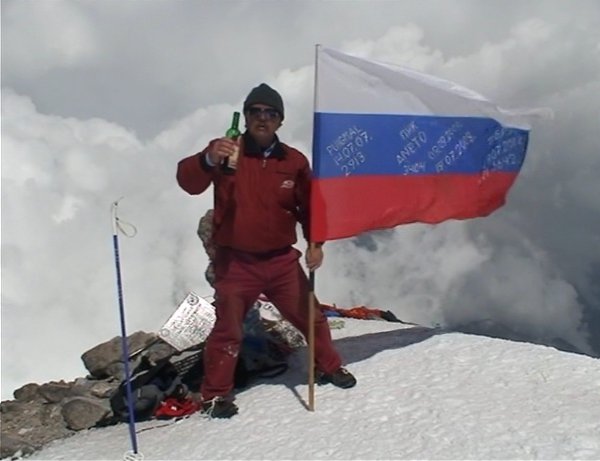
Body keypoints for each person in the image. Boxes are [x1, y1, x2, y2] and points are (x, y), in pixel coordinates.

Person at [176, 83, 356, 418]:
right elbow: (188, 182)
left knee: (311, 317)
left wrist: (316, 243)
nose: (263, 118)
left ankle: (329, 366)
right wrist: (208, 158)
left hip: (280, 260)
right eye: (256, 112)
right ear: (245, 117)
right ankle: (216, 394)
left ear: (280, 121)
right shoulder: (226, 151)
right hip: (236, 262)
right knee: (228, 330)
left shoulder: (293, 161)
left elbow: (309, 206)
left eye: (271, 113)